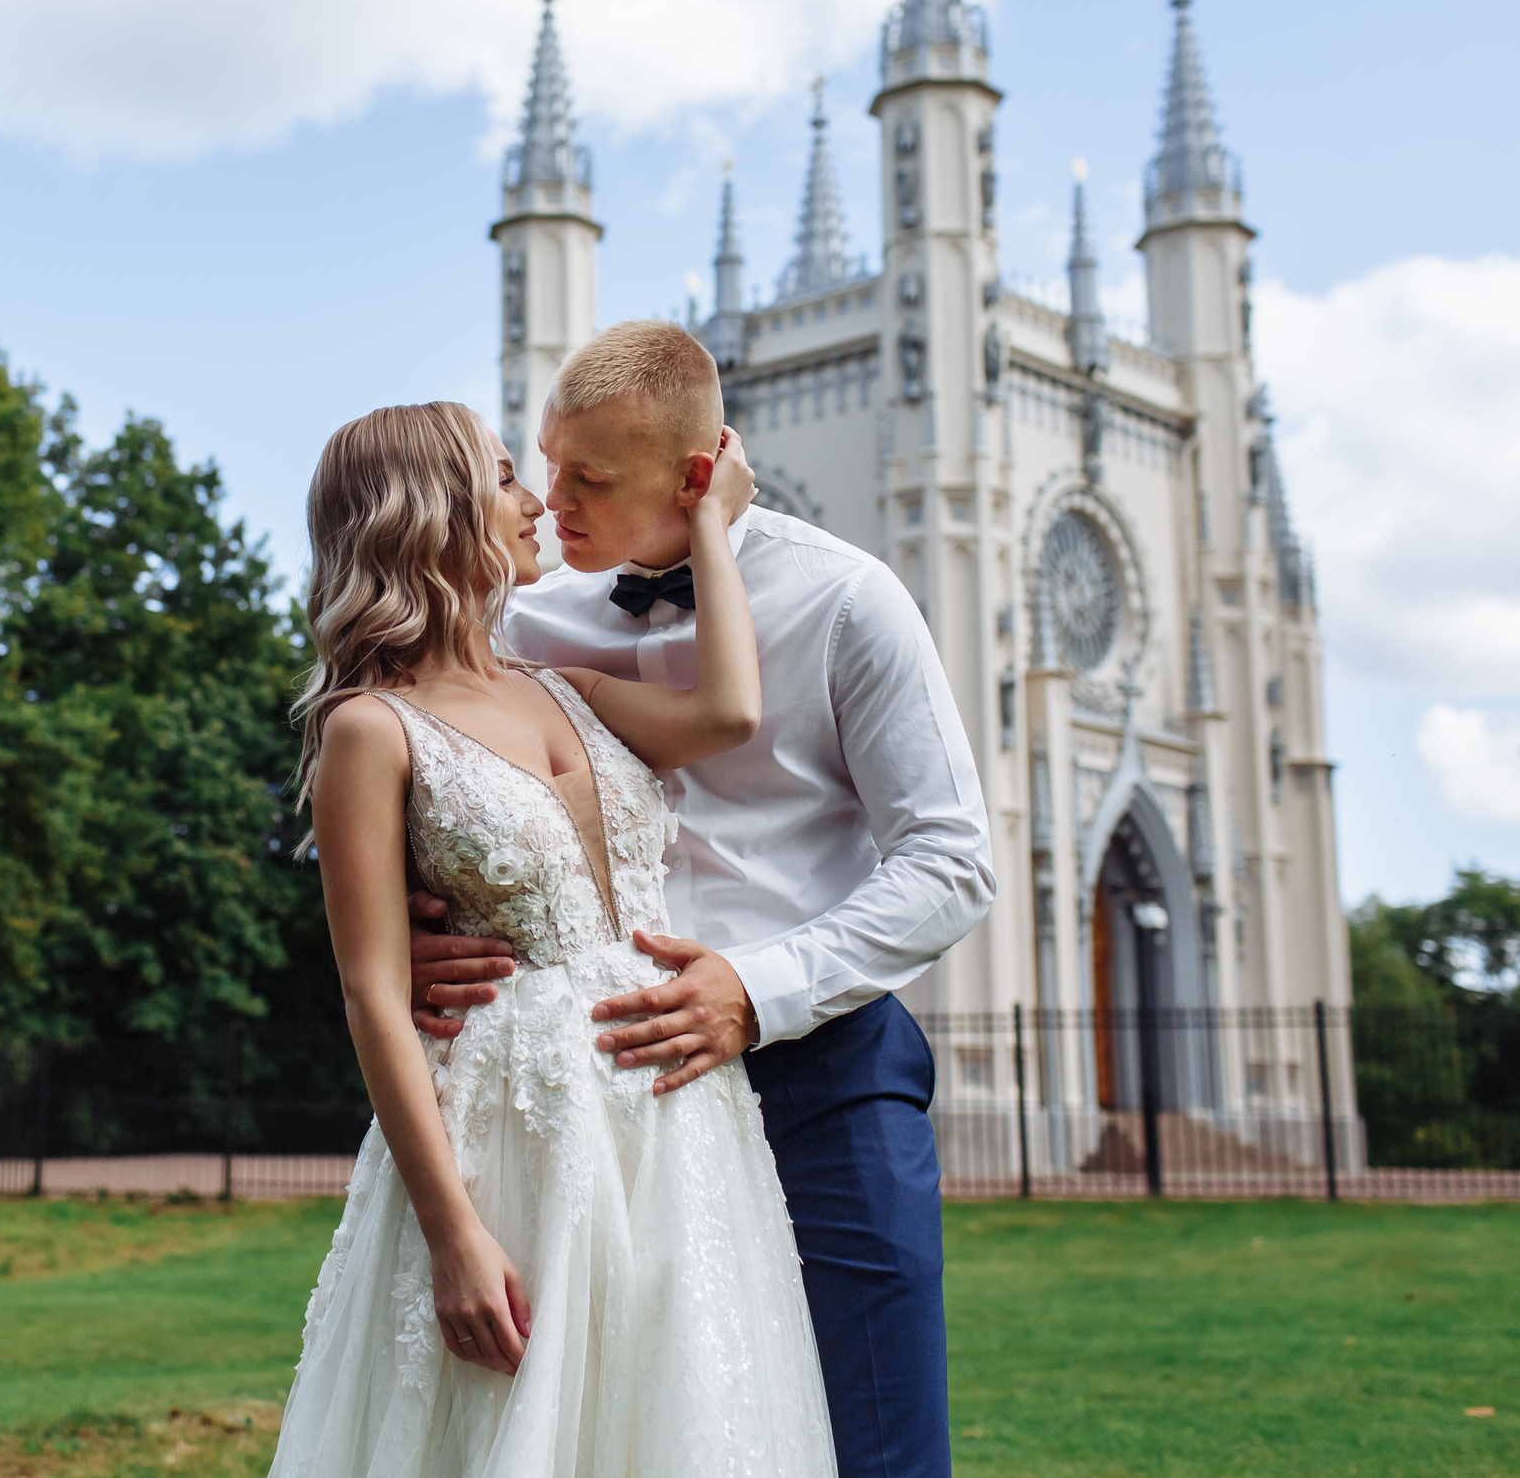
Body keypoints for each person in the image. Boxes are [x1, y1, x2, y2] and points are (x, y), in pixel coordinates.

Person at [409, 320, 996, 1478]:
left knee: (875, 1443)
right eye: (544, 464)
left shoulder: (845, 601)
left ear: (694, 476)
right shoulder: (521, 622)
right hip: (599, 1094)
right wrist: (425, 932)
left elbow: (950, 860)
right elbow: (423, 797)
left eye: (591, 480)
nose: (551, 503)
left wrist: (755, 988)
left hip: (822, 1077)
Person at [267, 399, 833, 1477]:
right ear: (428, 513)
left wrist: (711, 523)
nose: (536, 504)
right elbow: (376, 995)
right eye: (503, 480)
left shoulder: (564, 691)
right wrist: (453, 1236)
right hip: (509, 1140)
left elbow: (725, 712)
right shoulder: (367, 730)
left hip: (676, 1124)